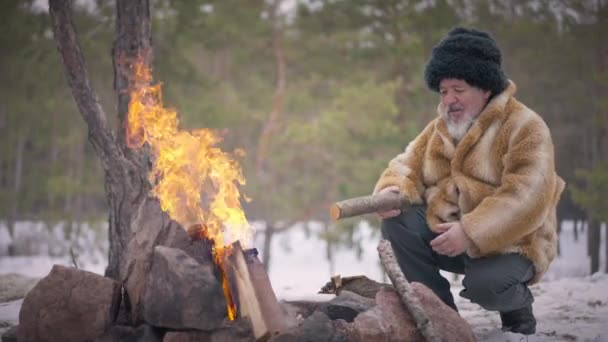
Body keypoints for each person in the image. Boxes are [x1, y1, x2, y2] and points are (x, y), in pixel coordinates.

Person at [374, 27, 565, 335]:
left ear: (485, 88)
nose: (449, 99)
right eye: (444, 91)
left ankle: (517, 305)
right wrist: (393, 187)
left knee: (487, 287)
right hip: (453, 234)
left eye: (458, 90)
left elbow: (527, 197)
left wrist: (471, 230)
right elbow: (407, 163)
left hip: (515, 243)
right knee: (400, 219)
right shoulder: (442, 127)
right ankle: (438, 315)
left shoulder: (525, 127)